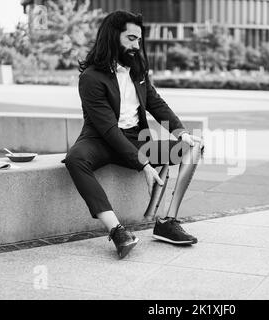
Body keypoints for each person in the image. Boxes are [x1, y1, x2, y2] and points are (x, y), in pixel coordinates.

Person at [62, 10, 204, 259]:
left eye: (139, 40)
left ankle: (167, 222)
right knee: (75, 159)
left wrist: (180, 132)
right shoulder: (90, 78)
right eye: (130, 38)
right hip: (101, 141)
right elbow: (108, 129)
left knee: (193, 146)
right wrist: (144, 164)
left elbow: (156, 104)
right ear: (112, 37)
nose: (136, 46)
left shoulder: (137, 70)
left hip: (137, 140)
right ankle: (117, 231)